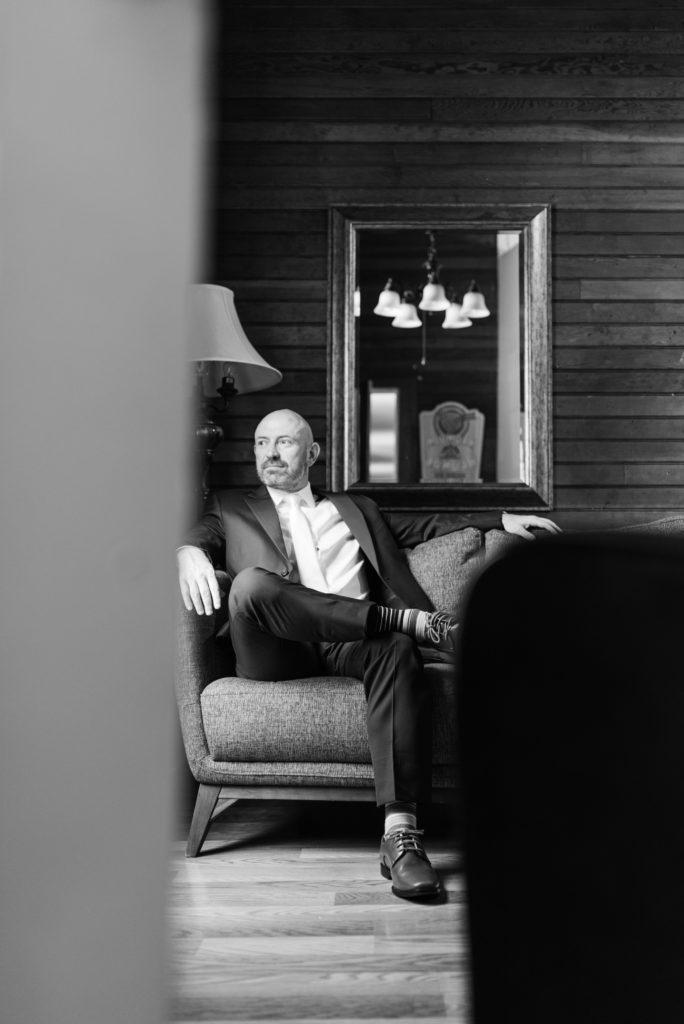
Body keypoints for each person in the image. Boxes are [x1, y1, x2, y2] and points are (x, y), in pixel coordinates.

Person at [177, 408, 560, 900]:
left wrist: (502, 518)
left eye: (284, 443)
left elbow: (429, 525)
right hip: (274, 648)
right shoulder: (229, 507)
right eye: (260, 442)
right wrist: (186, 552)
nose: (270, 453)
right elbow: (199, 538)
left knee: (397, 646)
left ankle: (400, 838)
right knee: (250, 585)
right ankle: (407, 622)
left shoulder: (356, 508)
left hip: (354, 641)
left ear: (311, 453)